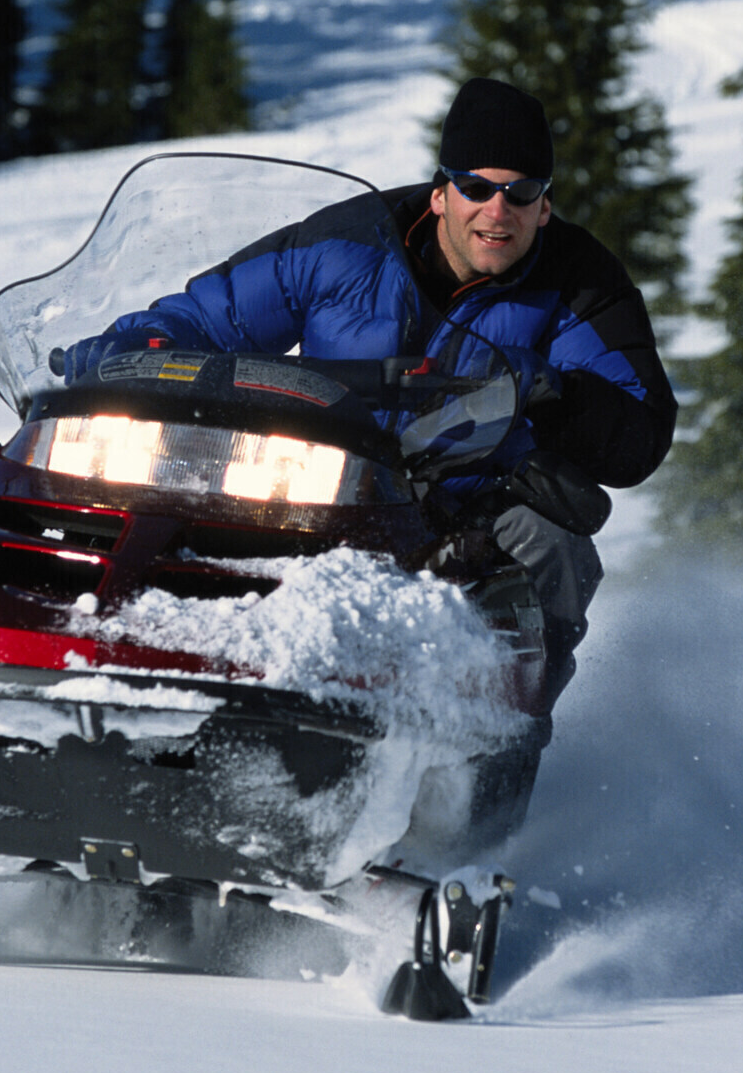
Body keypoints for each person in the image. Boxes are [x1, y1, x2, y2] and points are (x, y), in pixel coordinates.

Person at [63, 77, 676, 721]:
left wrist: (554, 392)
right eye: (476, 188)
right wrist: (131, 351)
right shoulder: (347, 245)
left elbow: (638, 434)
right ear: (441, 193)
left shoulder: (580, 285)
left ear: (544, 207)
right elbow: (210, 316)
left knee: (553, 548)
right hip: (318, 478)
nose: (497, 212)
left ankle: (501, 742)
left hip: (460, 506)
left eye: (520, 193)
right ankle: (101, 653)